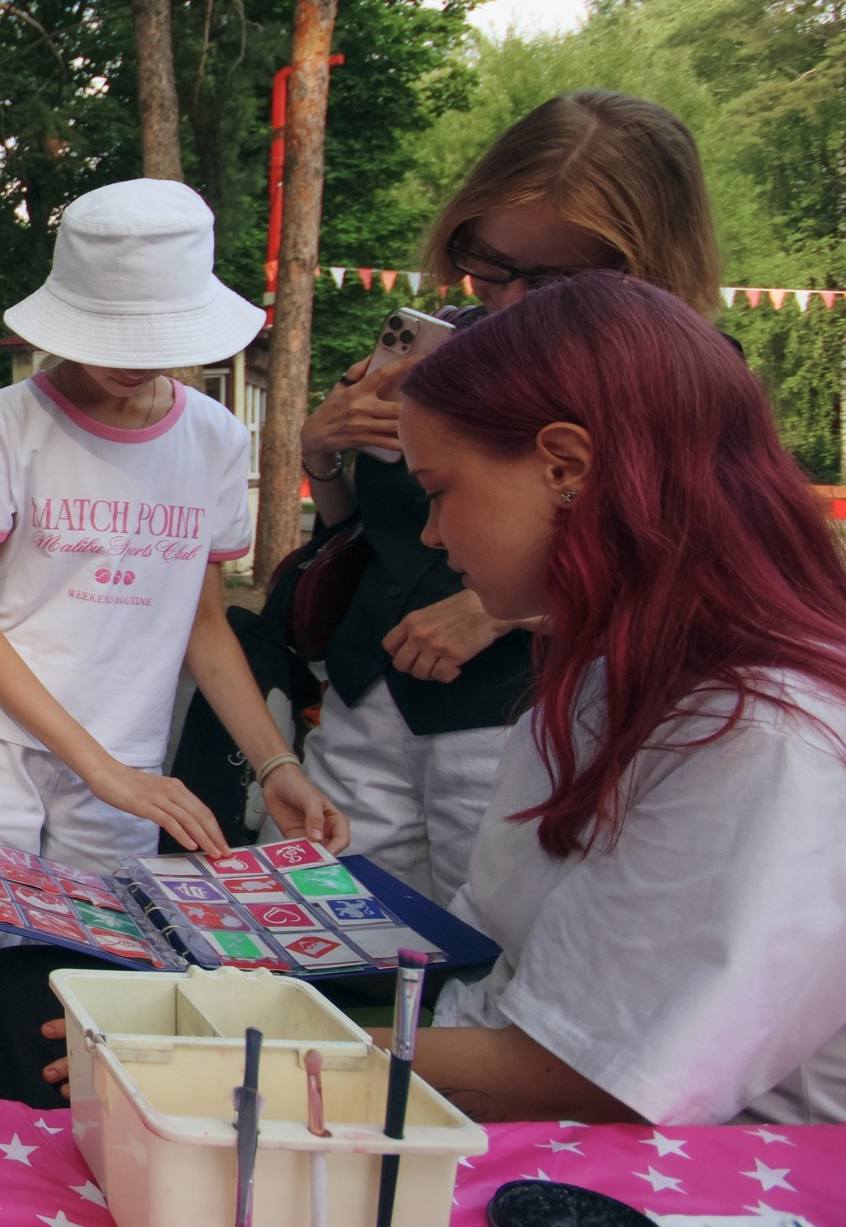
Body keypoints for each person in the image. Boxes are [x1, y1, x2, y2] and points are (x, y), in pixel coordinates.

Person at [393, 274, 846, 1124]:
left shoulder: (767, 740)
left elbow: (577, 1074)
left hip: (698, 1190)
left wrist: (227, 1053)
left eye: (438, 491)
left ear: (565, 467)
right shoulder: (619, 673)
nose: (431, 534)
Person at [0, 180, 348, 1035]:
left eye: (158, 336)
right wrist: (100, 767)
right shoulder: (3, 424)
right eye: (110, 331)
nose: (133, 359)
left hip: (129, 755)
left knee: (93, 981)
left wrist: (277, 765)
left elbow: (203, 625)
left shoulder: (215, 439)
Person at [295, 91, 723, 901]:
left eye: (557, 279)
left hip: (520, 705)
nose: (511, 302)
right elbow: (375, 530)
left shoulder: (686, 379)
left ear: (648, 264)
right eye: (486, 264)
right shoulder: (443, 342)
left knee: (491, 924)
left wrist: (497, 609)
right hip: (369, 687)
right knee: (324, 916)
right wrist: (323, 454)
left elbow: (696, 560)